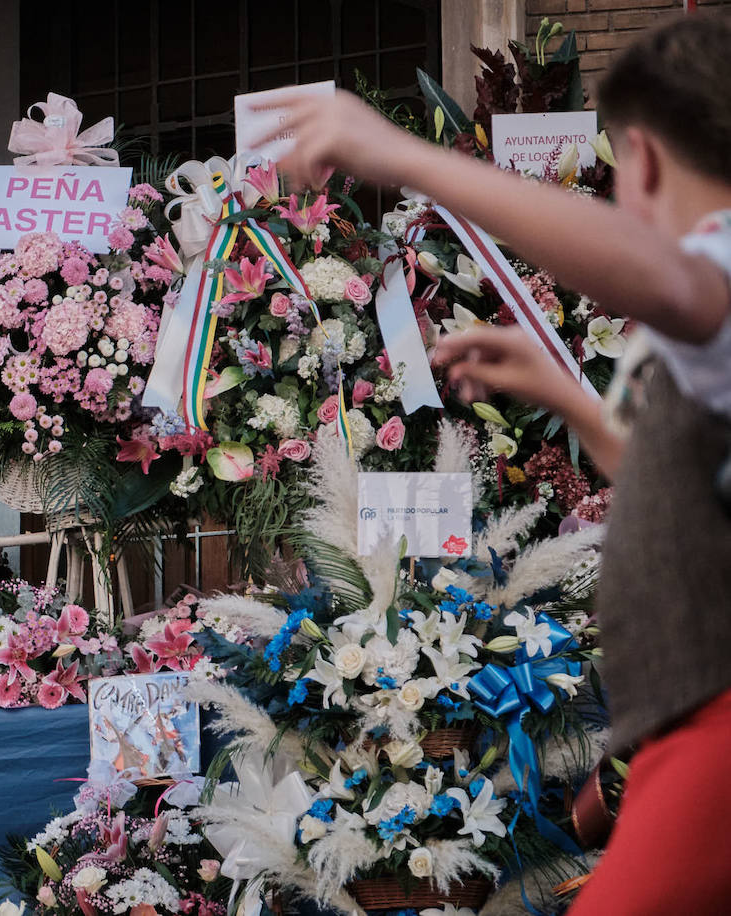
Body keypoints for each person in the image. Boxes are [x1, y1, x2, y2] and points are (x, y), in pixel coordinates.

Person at [260, 14, 731, 913]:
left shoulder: (715, 263)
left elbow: (670, 278)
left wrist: (401, 155)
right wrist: (566, 400)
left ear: (647, 162)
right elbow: (671, 486)